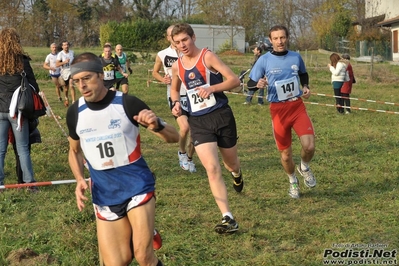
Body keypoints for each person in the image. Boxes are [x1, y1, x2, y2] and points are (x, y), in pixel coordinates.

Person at [66, 52, 178, 266]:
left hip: (137, 186)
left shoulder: (127, 103)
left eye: (87, 78)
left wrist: (157, 125)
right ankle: (140, 230)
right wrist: (80, 179)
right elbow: (74, 151)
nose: (82, 85)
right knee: (117, 262)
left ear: (101, 75)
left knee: (144, 257)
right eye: (77, 81)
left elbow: (174, 137)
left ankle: (142, 231)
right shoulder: (75, 113)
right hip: (104, 194)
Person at [170, 23, 243, 234]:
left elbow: (234, 80)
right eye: (177, 42)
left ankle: (237, 174)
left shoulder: (207, 57)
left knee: (231, 163)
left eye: (185, 40)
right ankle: (228, 217)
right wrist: (176, 104)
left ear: (193, 37)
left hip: (221, 116)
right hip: (198, 121)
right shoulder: (177, 66)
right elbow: (175, 90)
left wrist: (211, 88)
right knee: (211, 168)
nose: (182, 45)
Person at [249, 25, 316, 199]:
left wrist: (306, 86)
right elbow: (250, 83)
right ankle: (292, 180)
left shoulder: (296, 56)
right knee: (286, 156)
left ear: (287, 38)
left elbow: (303, 74)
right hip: (278, 111)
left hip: (296, 106)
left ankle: (304, 167)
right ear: (270, 41)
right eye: (276, 38)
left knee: (309, 146)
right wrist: (258, 85)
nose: (280, 41)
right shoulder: (264, 60)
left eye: (283, 37)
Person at [152, 25, 196, 173]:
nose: (175, 38)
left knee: (197, 131)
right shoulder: (162, 54)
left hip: (193, 94)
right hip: (176, 95)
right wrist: (162, 79)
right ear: (168, 37)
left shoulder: (188, 51)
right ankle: (182, 152)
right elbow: (155, 72)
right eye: (171, 35)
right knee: (185, 127)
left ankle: (190, 158)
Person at [0, 27, 38, 189]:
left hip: (0, 110)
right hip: (18, 112)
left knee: (0, 150)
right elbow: (34, 86)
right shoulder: (23, 61)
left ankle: (0, 184)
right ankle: (30, 184)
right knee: (23, 149)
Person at [9, 119, 41, 186]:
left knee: (3, 151)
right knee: (23, 150)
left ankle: (22, 181)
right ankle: (26, 182)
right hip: (19, 117)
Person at [56, 41, 76, 106]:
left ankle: (73, 101)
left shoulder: (72, 52)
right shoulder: (60, 54)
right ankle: (66, 97)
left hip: (71, 71)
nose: (66, 46)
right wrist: (64, 62)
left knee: (71, 85)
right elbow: (57, 64)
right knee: (66, 88)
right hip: (64, 72)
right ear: (62, 47)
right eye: (64, 45)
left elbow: (75, 61)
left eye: (67, 44)